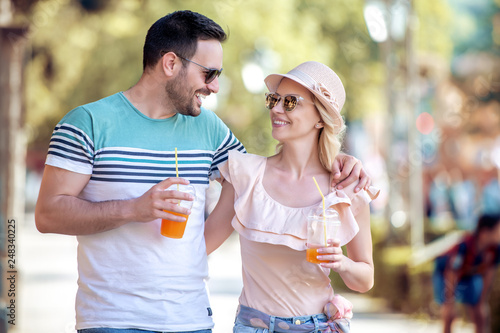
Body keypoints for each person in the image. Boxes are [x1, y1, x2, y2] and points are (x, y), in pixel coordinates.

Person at [34, 11, 370, 333]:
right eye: (209, 73)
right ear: (170, 63)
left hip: (190, 319)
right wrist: (134, 209)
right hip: (111, 318)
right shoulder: (88, 123)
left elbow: (277, 169)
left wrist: (340, 162)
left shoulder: (210, 130)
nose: (215, 87)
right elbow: (48, 215)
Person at [205, 61, 379, 332]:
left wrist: (341, 262)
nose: (275, 108)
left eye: (290, 102)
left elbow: (364, 279)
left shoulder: (346, 189)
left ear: (321, 118)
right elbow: (200, 246)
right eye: (274, 99)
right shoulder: (246, 176)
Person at [433, 213, 500, 333]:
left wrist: (481, 301)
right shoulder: (465, 245)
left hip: (468, 276)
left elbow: (489, 275)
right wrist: (449, 303)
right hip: (446, 274)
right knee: (449, 315)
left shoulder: (495, 249)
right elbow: (451, 272)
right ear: (485, 232)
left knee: (481, 314)